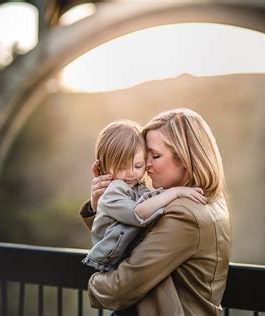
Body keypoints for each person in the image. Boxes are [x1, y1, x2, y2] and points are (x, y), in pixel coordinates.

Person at [80, 108, 232, 315]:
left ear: (185, 158)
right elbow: (133, 233)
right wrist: (101, 205)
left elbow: (121, 287)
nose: (146, 165)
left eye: (155, 156)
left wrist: (93, 285)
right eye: (145, 155)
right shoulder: (206, 199)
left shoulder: (184, 215)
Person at [82, 120, 206, 272]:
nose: (131, 173)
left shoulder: (138, 187)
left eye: (138, 166)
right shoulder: (114, 189)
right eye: (121, 167)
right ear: (103, 167)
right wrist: (175, 192)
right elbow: (137, 213)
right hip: (112, 266)